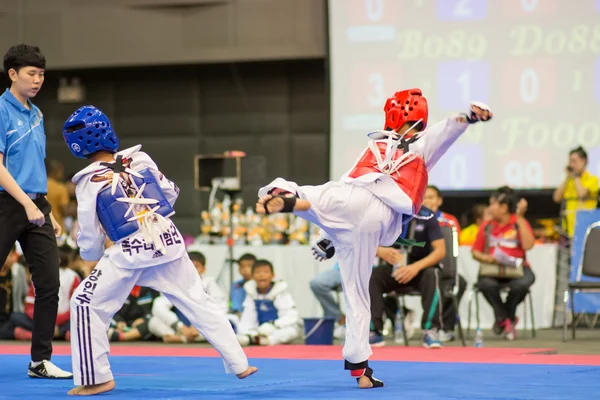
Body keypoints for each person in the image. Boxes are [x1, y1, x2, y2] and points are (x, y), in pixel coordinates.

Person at [255, 88, 493, 388]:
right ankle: (360, 370)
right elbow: (446, 132)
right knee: (357, 296)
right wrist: (470, 117)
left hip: (348, 197)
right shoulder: (419, 144)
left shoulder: (374, 143)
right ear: (420, 116)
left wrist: (326, 228)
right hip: (378, 216)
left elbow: (346, 183)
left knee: (315, 196)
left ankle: (286, 199)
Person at [64, 105, 256, 396]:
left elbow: (89, 238)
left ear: (77, 145)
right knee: (198, 301)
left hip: (128, 253)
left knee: (84, 303)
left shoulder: (88, 182)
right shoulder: (139, 159)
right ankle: (239, 363)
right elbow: (171, 194)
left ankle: (97, 378)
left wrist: (92, 252)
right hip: (168, 242)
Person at [0, 44, 71, 379]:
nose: (38, 79)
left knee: (49, 283)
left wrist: (45, 207)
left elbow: (35, 163)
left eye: (41, 74)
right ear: (12, 74)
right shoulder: (0, 109)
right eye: (31, 73)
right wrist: (27, 204)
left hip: (36, 205)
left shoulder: (38, 113)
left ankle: (40, 360)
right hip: (5, 203)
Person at [368, 206, 446, 348]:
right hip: (395, 267)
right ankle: (374, 331)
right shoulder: (384, 213)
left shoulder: (427, 215)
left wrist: (415, 267)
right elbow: (365, 241)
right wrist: (380, 250)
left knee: (433, 275)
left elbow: (440, 251)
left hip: (421, 269)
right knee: (373, 275)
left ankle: (431, 330)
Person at [471, 186, 535, 340]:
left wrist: (520, 217)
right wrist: (487, 258)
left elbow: (528, 246)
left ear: (504, 207)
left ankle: (504, 317)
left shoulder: (518, 222)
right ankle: (506, 318)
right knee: (485, 284)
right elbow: (475, 251)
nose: (489, 208)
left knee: (523, 284)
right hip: (493, 269)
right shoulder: (487, 225)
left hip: (517, 269)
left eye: (492, 204)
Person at [236, 259, 300, 346]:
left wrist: (273, 325)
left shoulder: (280, 291)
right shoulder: (251, 292)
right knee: (241, 327)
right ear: (253, 276)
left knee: (291, 331)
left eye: (265, 272)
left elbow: (291, 316)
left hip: (276, 328)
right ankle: (251, 338)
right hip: (258, 329)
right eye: (258, 272)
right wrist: (249, 330)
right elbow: (247, 318)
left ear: (272, 275)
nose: (261, 275)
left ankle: (265, 341)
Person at [552, 146, 599, 238]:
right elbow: (556, 198)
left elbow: (582, 194)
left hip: (587, 230)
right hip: (569, 231)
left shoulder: (593, 179)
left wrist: (576, 177)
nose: (571, 165)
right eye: (570, 161)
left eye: (574, 161)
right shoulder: (569, 181)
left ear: (583, 161)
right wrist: (567, 178)